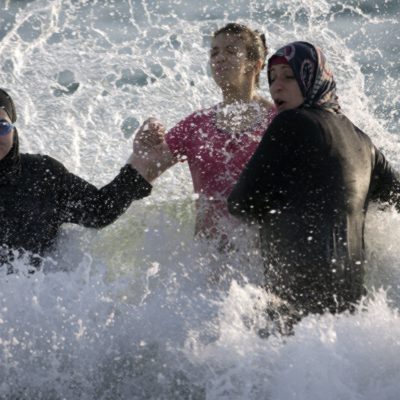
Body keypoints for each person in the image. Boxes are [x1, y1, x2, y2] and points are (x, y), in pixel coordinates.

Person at [228, 41, 400, 322]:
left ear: (312, 78)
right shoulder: (364, 142)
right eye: (272, 78)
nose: (276, 87)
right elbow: (395, 199)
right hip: (353, 313)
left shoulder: (290, 123)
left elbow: (241, 203)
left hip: (299, 307)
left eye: (289, 76)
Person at [134, 23, 276, 245]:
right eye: (214, 53)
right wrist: (144, 147)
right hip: (206, 256)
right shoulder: (196, 125)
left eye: (231, 51)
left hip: (263, 255)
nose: (219, 58)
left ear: (255, 65)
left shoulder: (278, 122)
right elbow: (147, 169)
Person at [0, 88, 153, 270]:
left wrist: (141, 161)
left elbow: (99, 210)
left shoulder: (42, 175)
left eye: (2, 126)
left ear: (13, 130)